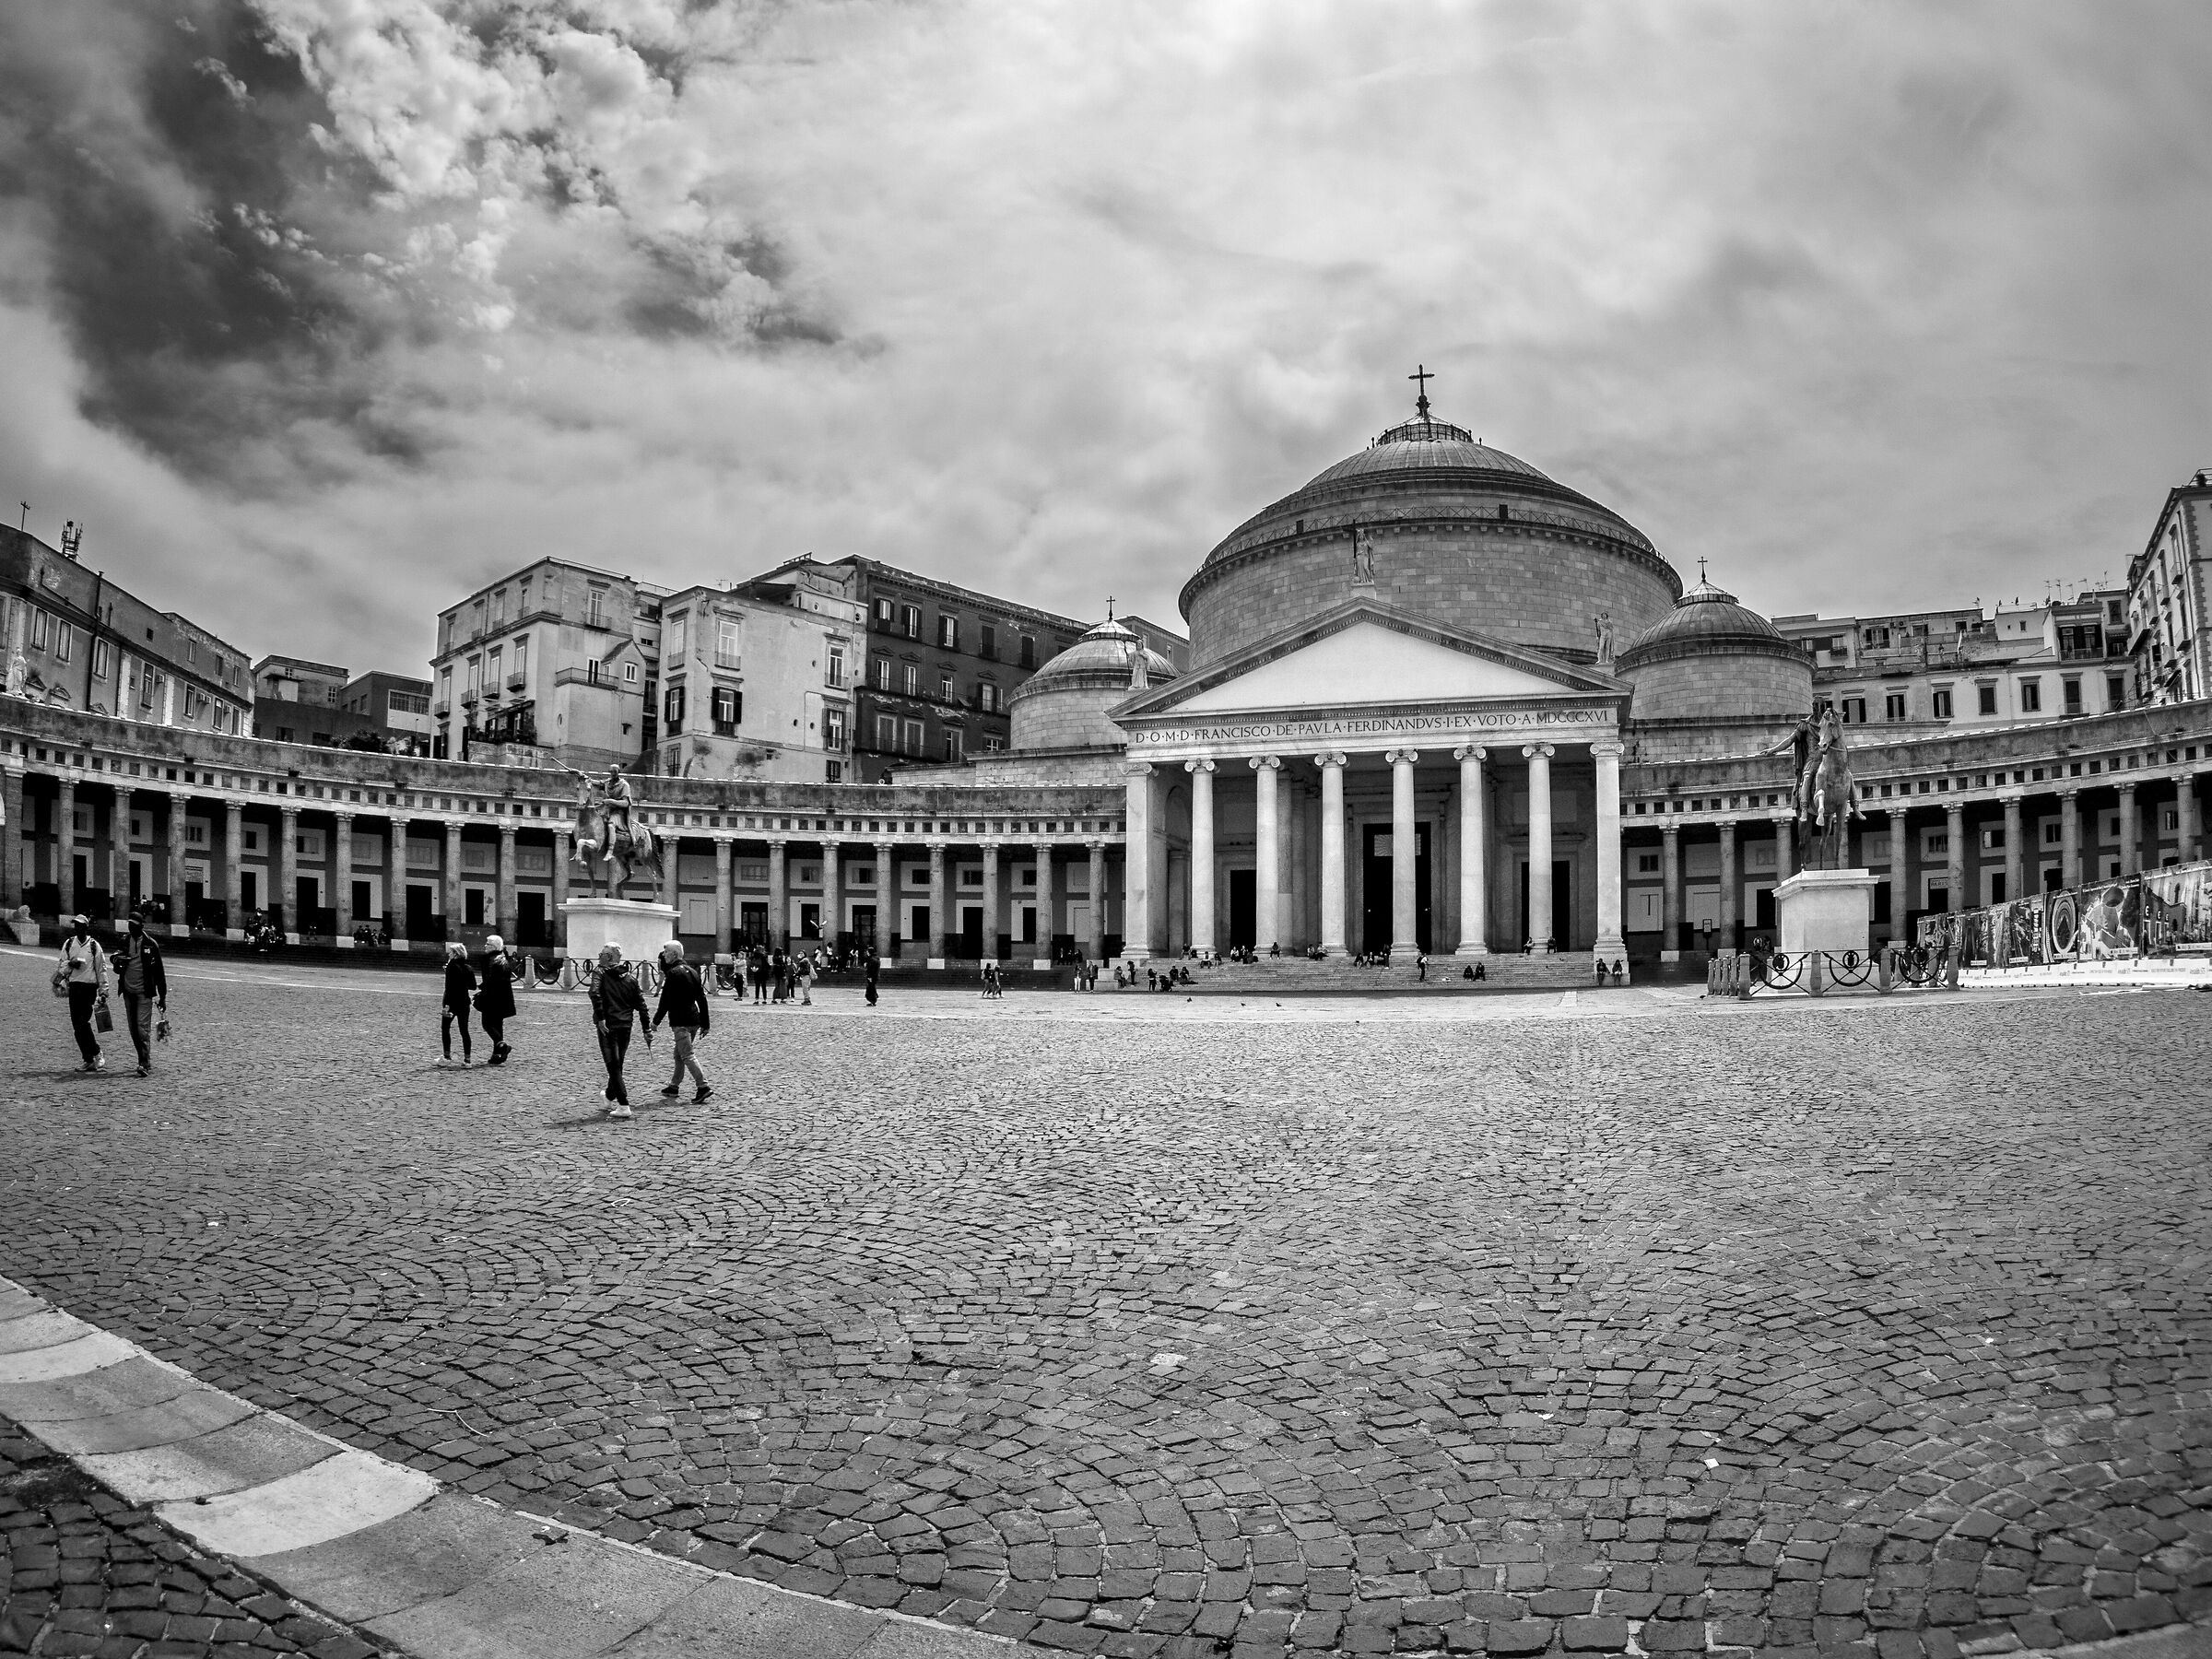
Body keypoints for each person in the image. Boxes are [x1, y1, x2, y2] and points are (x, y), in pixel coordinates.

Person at [589, 943, 651, 1117]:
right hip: (625, 1026)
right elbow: (642, 1005)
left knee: (613, 1066)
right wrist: (646, 1029)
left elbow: (594, 993)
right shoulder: (630, 978)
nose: (599, 956)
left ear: (608, 957)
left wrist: (600, 1017)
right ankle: (608, 1097)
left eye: (601, 954)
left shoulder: (600, 972)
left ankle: (624, 1105)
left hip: (608, 1026)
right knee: (617, 1064)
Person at [652, 941, 712, 1104]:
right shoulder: (693, 971)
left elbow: (665, 1001)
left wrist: (655, 1021)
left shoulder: (673, 973)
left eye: (666, 952)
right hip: (694, 1019)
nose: (664, 955)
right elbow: (702, 999)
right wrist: (705, 1023)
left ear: (674, 954)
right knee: (679, 1055)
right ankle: (674, 1086)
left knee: (687, 1055)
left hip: (680, 1021)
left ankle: (703, 1086)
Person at [112, 918, 167, 1077]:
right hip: (128, 991)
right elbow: (116, 961)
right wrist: (117, 961)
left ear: (141, 927)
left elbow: (159, 973)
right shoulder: (125, 941)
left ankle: (144, 1062)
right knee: (133, 1028)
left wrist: (162, 997)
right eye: (129, 926)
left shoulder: (151, 944)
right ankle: (141, 1058)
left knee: (142, 1028)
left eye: (134, 927)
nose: (131, 929)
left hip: (145, 992)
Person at [56, 914, 110, 1072]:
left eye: (80, 925)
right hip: (74, 987)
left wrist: (103, 991)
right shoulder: (69, 944)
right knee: (76, 1025)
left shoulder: (94, 946)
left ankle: (97, 1052)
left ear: (86, 927)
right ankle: (88, 1059)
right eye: (76, 925)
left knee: (82, 1022)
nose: (77, 928)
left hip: (89, 988)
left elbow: (101, 969)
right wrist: (70, 963)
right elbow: (61, 966)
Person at [477, 935, 517, 1065]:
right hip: (503, 997)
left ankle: (501, 1046)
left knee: (487, 1023)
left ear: (493, 947)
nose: (485, 946)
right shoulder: (502, 958)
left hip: (492, 997)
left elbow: (490, 980)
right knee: (497, 1025)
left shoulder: (491, 960)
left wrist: (482, 990)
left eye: (487, 944)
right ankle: (497, 1054)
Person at [438, 940, 477, 1066]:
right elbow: (473, 986)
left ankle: (447, 1057)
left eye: (451, 952)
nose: (449, 954)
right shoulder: (468, 968)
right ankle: (467, 1060)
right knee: (464, 1031)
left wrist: (446, 1005)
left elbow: (449, 987)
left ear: (455, 954)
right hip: (464, 1002)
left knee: (445, 1028)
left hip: (451, 1003)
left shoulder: (451, 966)